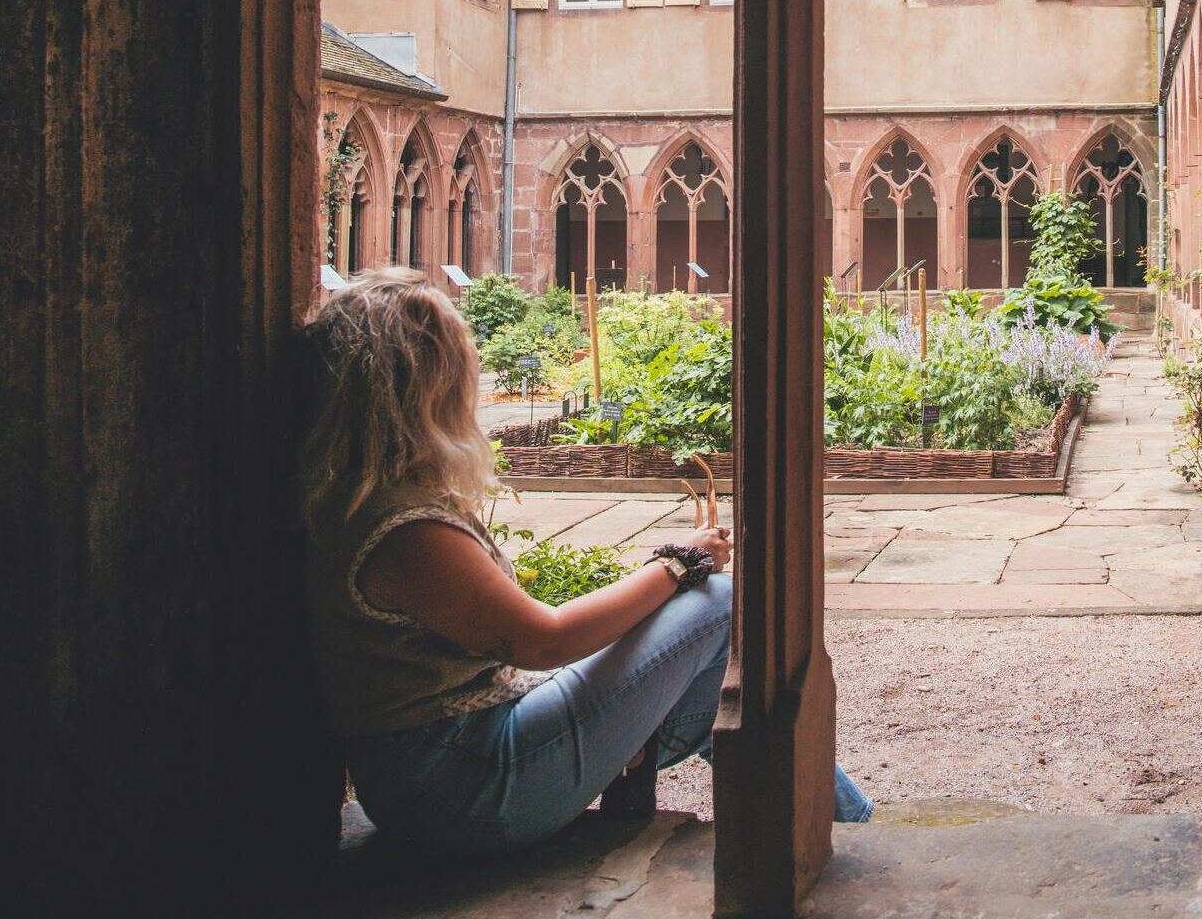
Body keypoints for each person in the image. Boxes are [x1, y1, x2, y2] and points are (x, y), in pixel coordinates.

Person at [300, 267, 871, 856]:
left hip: (446, 778)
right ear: (422, 385)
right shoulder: (405, 531)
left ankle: (854, 828)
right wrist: (678, 565)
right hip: (468, 787)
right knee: (720, 604)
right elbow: (543, 642)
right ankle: (854, 834)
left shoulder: (368, 500)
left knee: (712, 690)